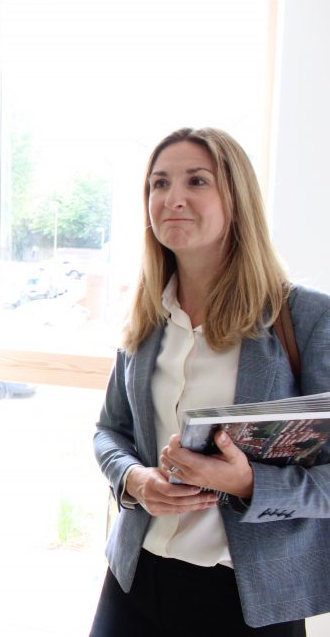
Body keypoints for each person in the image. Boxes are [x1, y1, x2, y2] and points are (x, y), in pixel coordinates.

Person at [91, 127, 330, 636]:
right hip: (136, 578)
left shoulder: (306, 319)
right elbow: (109, 431)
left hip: (248, 598)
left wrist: (247, 484)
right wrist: (135, 480)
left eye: (197, 181)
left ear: (237, 200)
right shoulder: (146, 317)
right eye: (158, 184)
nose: (172, 198)